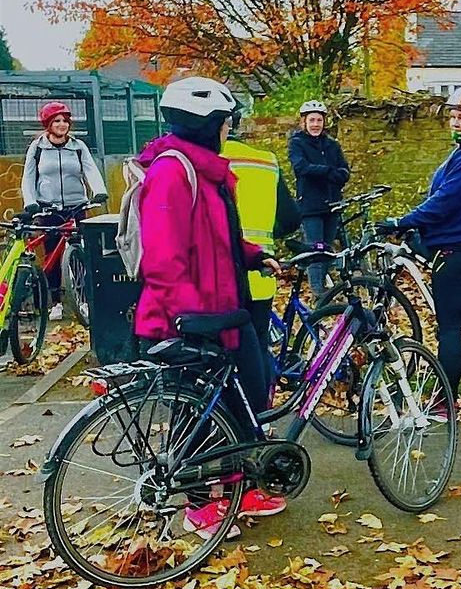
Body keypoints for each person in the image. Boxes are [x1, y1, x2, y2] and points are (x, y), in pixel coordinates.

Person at [133, 76, 287, 537]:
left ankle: (243, 485)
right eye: (224, 123)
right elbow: (162, 258)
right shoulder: (172, 172)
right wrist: (190, 319)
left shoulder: (208, 172)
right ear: (205, 125)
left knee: (251, 396)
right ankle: (201, 506)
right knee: (199, 415)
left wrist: (254, 255)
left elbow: (217, 241)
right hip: (190, 318)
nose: (228, 131)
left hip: (227, 311)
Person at [379, 88, 461, 400]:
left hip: (456, 250)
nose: (455, 123)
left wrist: (403, 221)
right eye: (452, 117)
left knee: (450, 329)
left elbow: (445, 201)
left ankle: (443, 400)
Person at [223, 106, 301, 375]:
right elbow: (291, 218)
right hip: (261, 274)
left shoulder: (202, 161)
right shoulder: (265, 161)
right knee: (256, 355)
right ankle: (259, 414)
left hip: (221, 280)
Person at [21, 101, 108, 321]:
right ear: (48, 125)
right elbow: (29, 177)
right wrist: (31, 202)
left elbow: (90, 169)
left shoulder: (78, 146)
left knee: (82, 251)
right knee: (52, 252)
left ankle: (86, 298)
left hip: (76, 206)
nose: (62, 125)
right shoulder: (38, 148)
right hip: (48, 208)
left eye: (65, 121)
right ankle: (56, 303)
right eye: (56, 121)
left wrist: (99, 191)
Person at [287, 101, 350, 293]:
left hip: (332, 204)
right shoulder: (297, 143)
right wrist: (329, 172)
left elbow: (345, 171)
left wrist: (333, 174)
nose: (316, 124)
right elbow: (301, 168)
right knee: (315, 250)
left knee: (327, 250)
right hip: (311, 205)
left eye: (319, 120)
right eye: (312, 120)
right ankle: (318, 292)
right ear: (304, 122)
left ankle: (325, 290)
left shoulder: (332, 145)